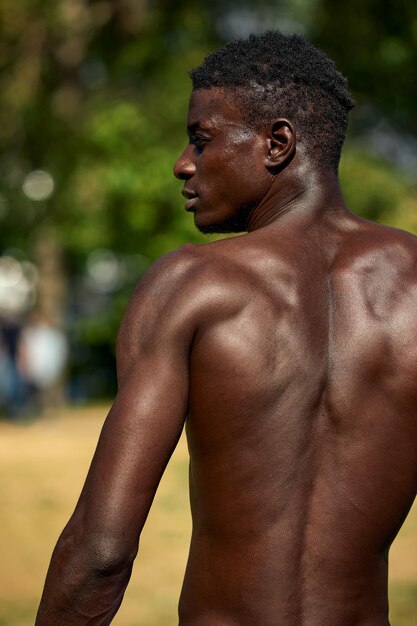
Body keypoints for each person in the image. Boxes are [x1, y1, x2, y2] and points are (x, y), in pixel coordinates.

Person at [36, 31, 417, 625]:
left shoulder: (194, 285)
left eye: (201, 139)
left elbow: (101, 552)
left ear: (278, 143)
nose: (182, 163)